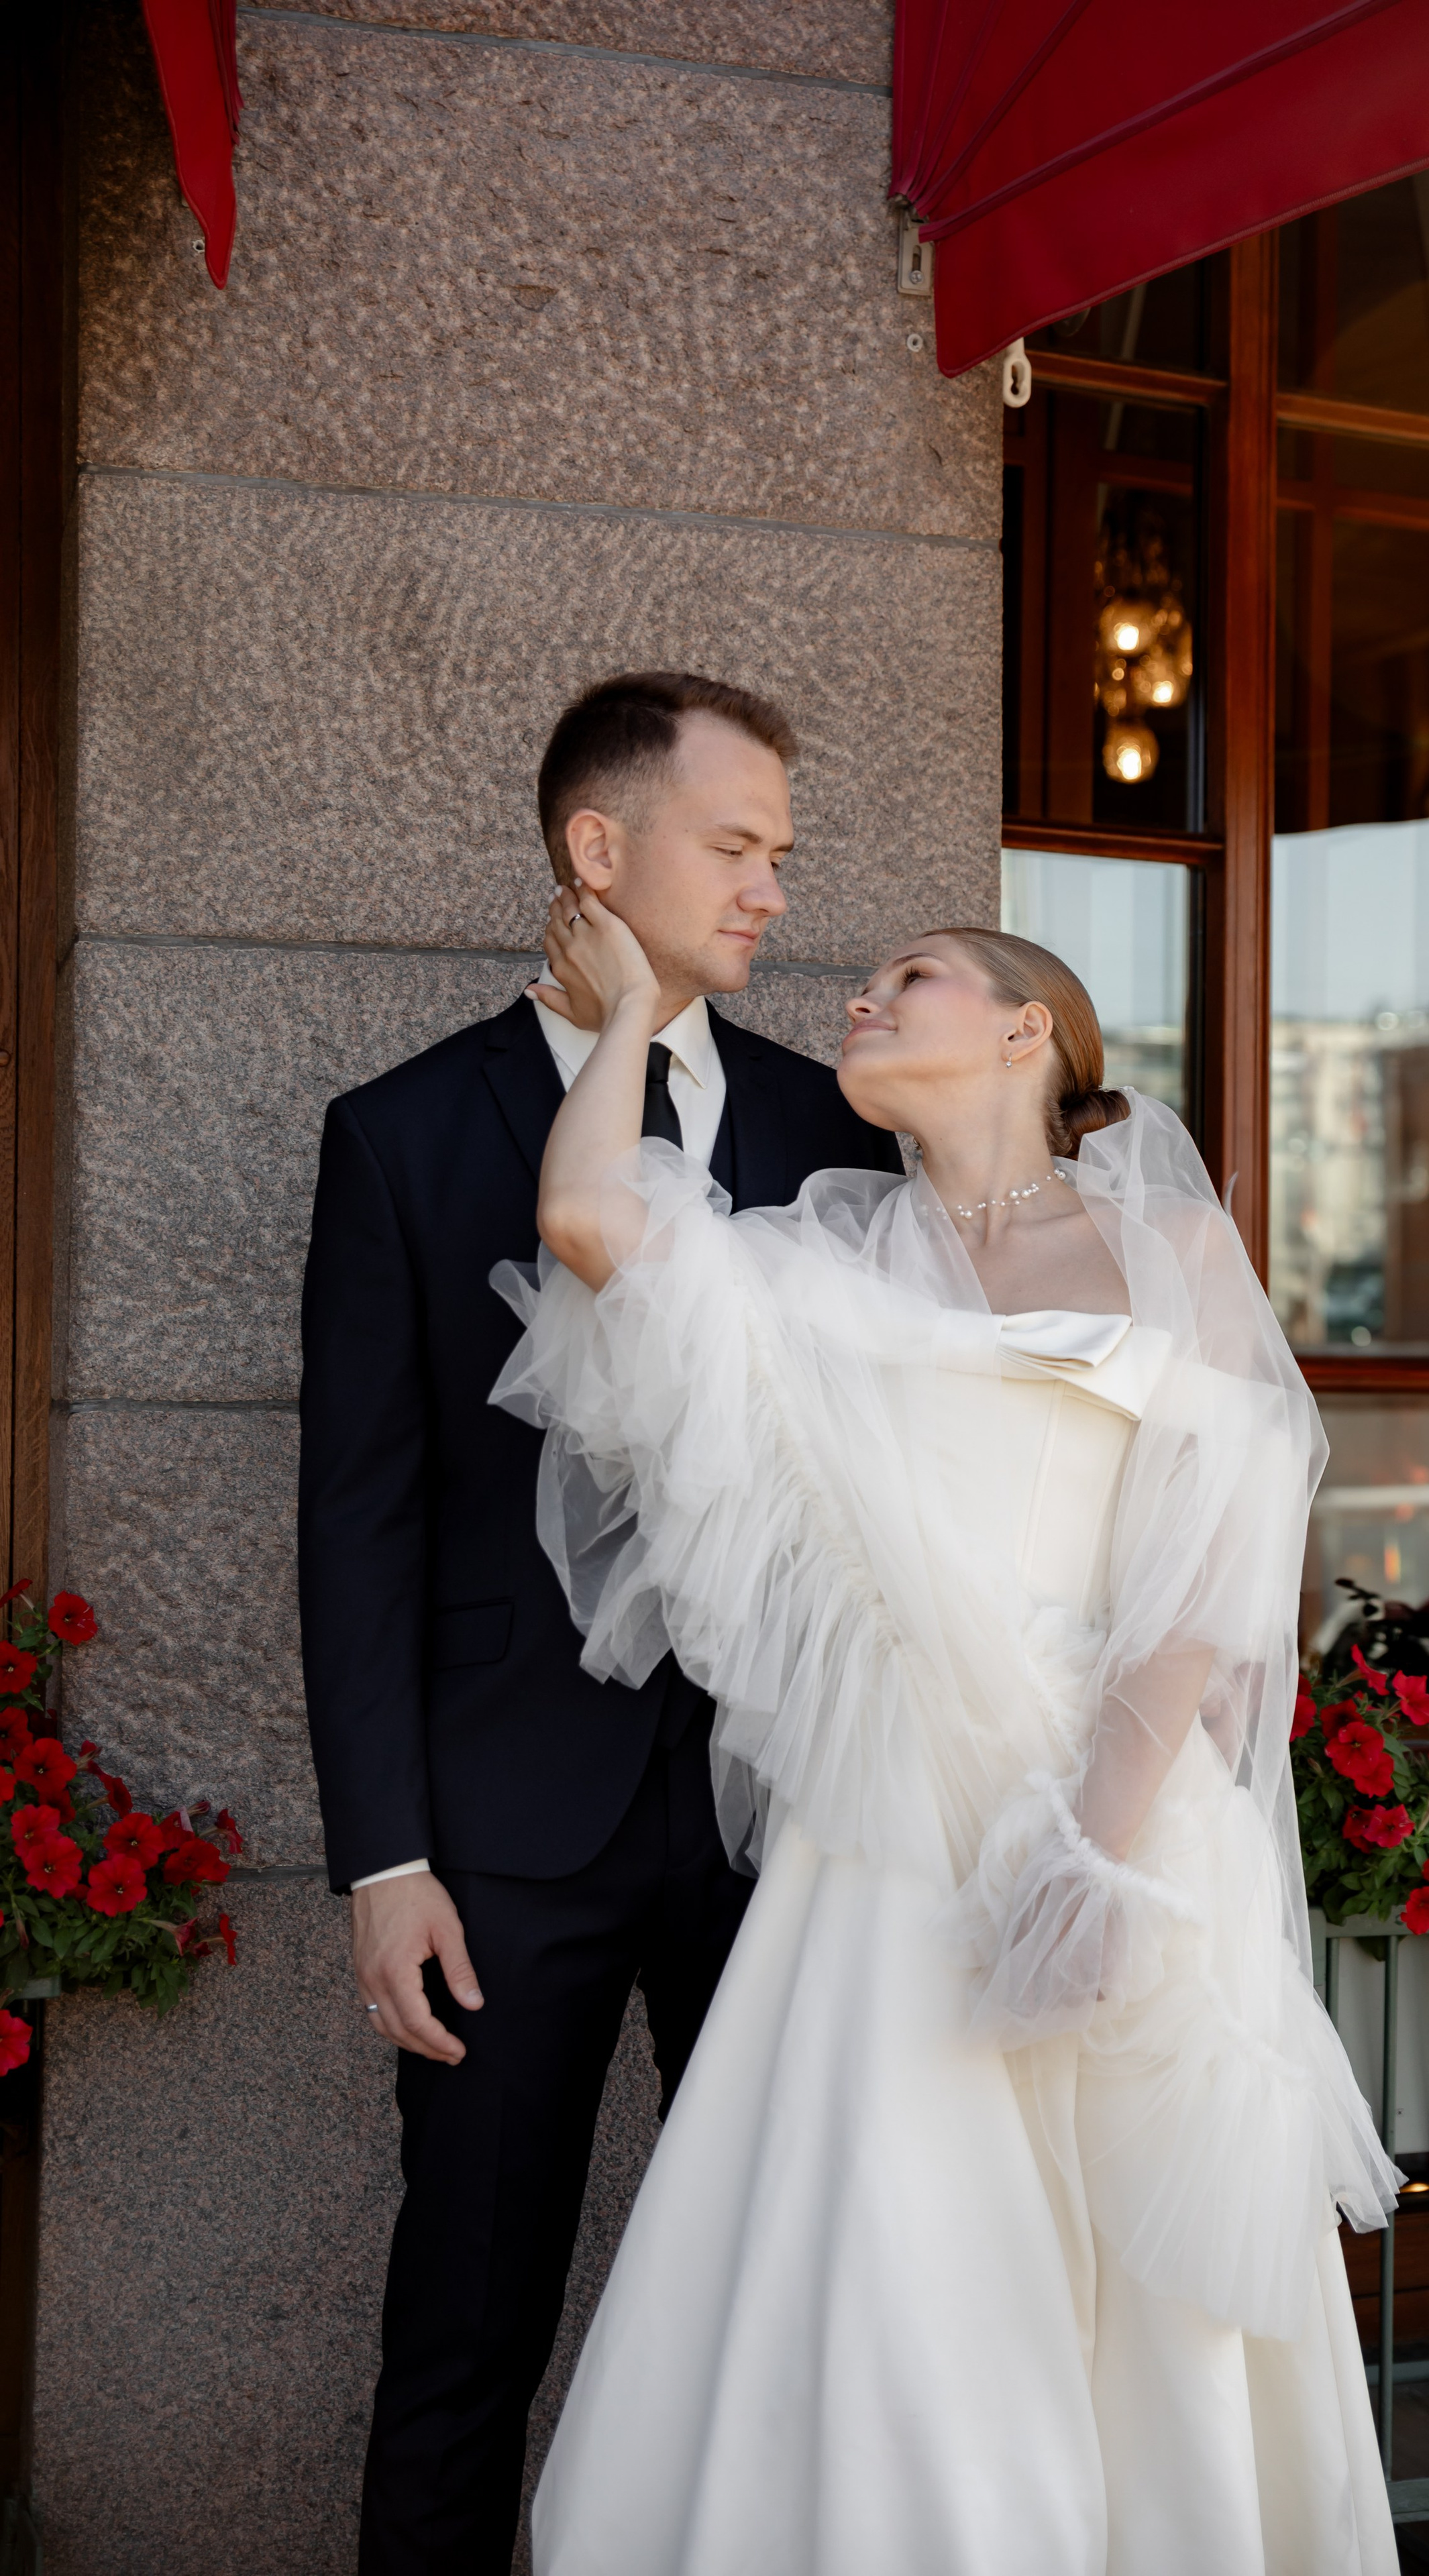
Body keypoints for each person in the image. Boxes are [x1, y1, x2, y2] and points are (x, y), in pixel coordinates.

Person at [493, 890, 1402, 2575]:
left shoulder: (1166, 1253)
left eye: (904, 975)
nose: (858, 996)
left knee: (1143, 2305)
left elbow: (1197, 1590)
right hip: (888, 1830)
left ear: (1021, 1032)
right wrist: (625, 1013)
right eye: (853, 978)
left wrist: (1086, 1856)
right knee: (896, 2251)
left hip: (1106, 1811)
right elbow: (586, 1216)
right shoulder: (825, 1253)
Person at [297, 672, 900, 2575]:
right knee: (466, 2330)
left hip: (790, 1835)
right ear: (597, 849)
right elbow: (361, 1524)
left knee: (798, 2320)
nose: (773, 894)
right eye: (737, 848)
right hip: (500, 1850)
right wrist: (383, 1859)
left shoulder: (831, 1126)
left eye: (780, 857)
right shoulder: (401, 1134)